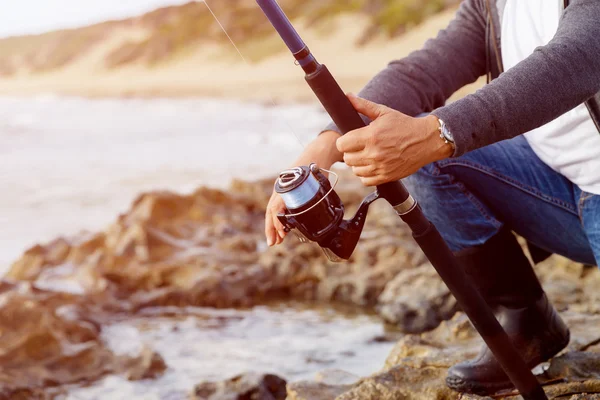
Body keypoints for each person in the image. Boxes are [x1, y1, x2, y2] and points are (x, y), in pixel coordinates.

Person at [264, 0, 600, 396]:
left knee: (426, 142)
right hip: (556, 189)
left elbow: (576, 57)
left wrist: (437, 134)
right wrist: (320, 152)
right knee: (417, 156)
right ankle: (527, 322)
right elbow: (420, 73)